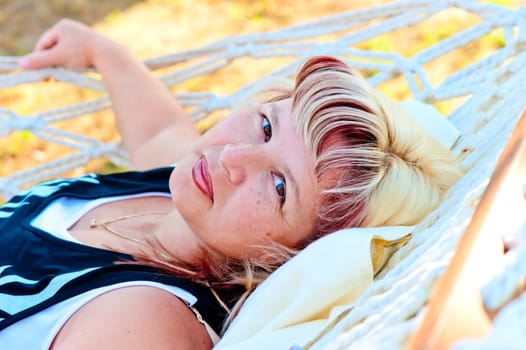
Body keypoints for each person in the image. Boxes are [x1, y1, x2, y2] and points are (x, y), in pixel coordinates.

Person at [1, 19, 462, 349]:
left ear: (292, 255)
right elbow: (159, 132)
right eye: (265, 125)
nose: (232, 158)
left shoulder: (139, 321)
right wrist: (104, 52)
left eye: (279, 187)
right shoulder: (184, 198)